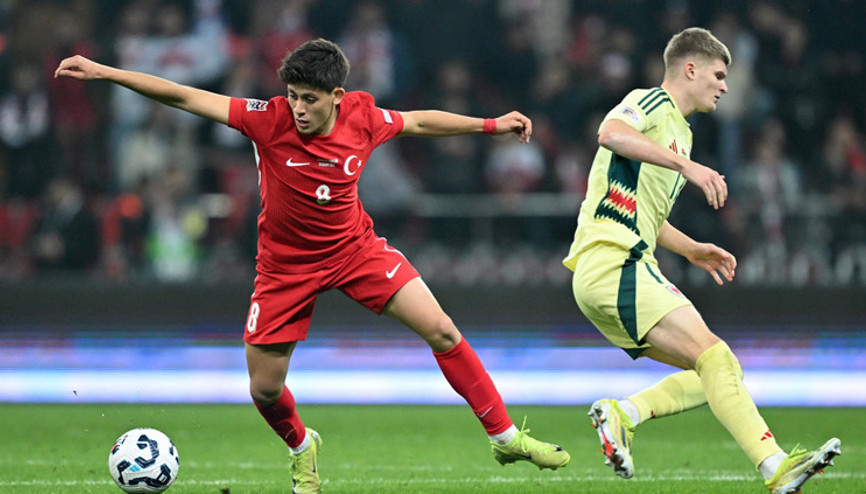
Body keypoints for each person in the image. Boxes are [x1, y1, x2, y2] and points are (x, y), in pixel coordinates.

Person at [55, 38, 570, 493]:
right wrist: (106, 72)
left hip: (355, 251)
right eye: (293, 96)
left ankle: (505, 437)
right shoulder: (268, 117)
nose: (297, 108)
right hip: (284, 268)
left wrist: (491, 125)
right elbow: (185, 96)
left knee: (441, 329)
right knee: (264, 389)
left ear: (337, 98)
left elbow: (417, 121)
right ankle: (303, 448)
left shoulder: (363, 118)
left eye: (309, 98)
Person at [561, 27, 840, 494]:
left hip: (616, 266)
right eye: (718, 74)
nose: (725, 85)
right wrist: (686, 168)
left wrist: (690, 248)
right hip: (614, 262)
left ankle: (622, 413)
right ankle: (774, 465)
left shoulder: (681, 136)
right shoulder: (651, 104)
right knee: (715, 356)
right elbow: (609, 132)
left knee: (716, 366)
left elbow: (647, 214)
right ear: (690, 69)